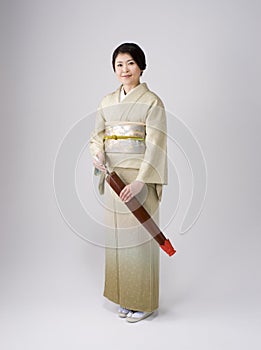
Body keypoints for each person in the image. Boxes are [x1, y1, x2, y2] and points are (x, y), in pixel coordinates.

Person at [89, 42, 168, 323]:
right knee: (118, 241)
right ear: (114, 69)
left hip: (137, 179)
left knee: (139, 240)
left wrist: (143, 181)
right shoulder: (107, 102)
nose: (125, 69)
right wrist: (97, 153)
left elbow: (156, 144)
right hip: (114, 179)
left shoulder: (151, 102)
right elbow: (97, 135)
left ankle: (143, 301)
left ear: (141, 67)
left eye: (131, 63)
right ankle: (124, 298)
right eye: (120, 64)